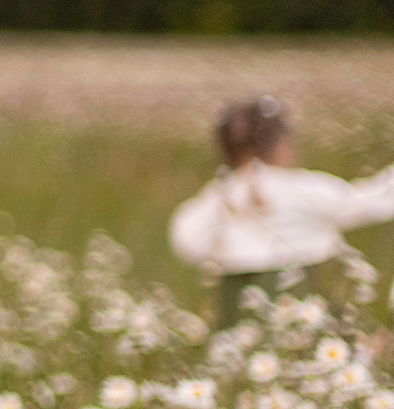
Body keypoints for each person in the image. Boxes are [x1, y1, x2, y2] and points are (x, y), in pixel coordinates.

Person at [169, 95, 394, 327]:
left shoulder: (219, 195)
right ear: (280, 144)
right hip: (304, 319)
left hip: (237, 323)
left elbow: (186, 241)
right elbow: (359, 205)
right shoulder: (297, 188)